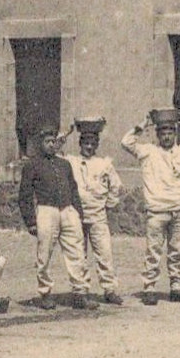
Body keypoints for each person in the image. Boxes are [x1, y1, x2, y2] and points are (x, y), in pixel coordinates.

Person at [120, 108, 180, 304]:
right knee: (153, 252)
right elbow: (126, 142)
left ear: (176, 134)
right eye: (163, 133)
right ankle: (150, 288)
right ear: (158, 135)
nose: (167, 137)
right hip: (157, 211)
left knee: (177, 252)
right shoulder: (149, 152)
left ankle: (177, 287)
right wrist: (142, 125)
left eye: (170, 133)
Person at [19, 127, 91, 310]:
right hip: (46, 211)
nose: (51, 145)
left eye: (53, 141)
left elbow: (74, 190)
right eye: (47, 142)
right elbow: (25, 195)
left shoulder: (64, 164)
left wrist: (78, 214)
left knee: (76, 252)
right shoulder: (32, 165)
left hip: (68, 210)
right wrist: (31, 222)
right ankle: (45, 293)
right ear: (39, 144)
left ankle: (80, 293)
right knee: (44, 255)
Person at [65, 116, 123, 305]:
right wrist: (67, 132)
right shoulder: (71, 161)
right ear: (80, 144)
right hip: (76, 214)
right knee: (78, 254)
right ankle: (80, 290)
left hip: (98, 216)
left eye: (92, 143)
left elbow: (116, 186)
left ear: (96, 145)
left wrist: (109, 204)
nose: (89, 147)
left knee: (104, 253)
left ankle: (110, 289)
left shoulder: (104, 164)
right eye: (86, 143)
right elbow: (55, 148)